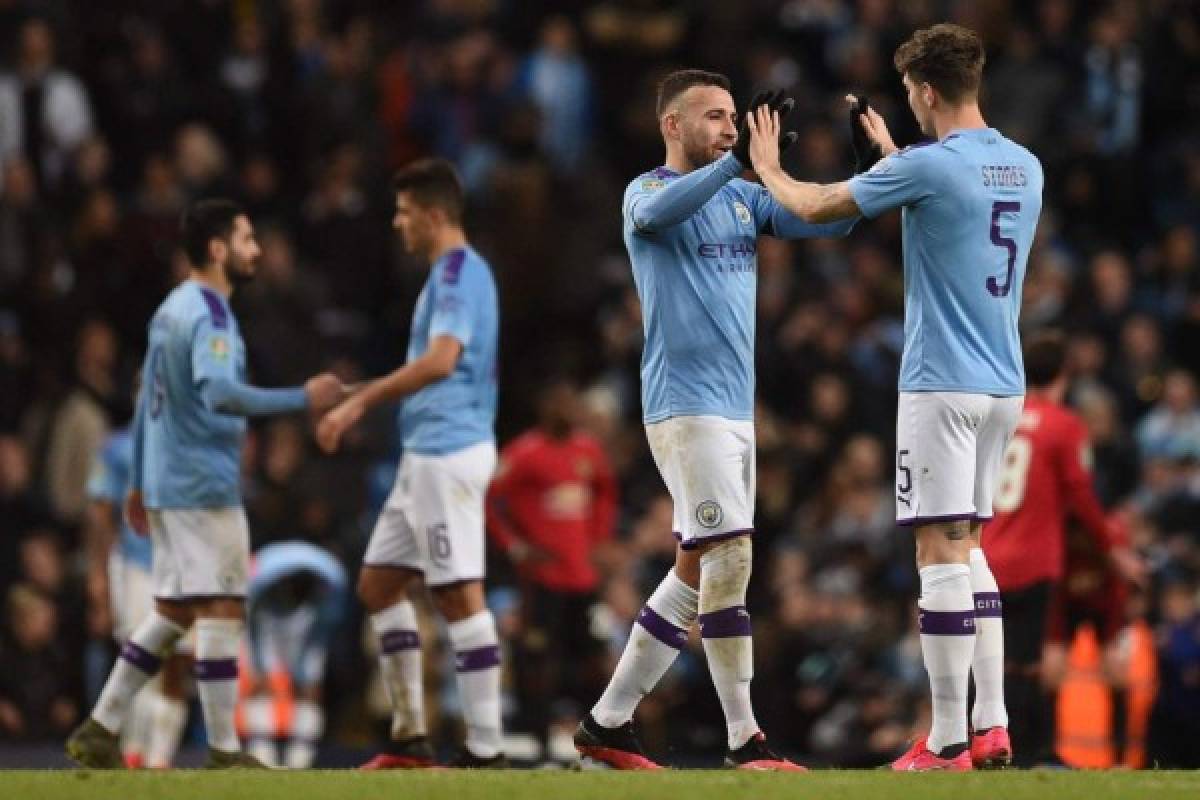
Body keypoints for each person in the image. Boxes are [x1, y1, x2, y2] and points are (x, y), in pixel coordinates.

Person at [745, 24, 1043, 770]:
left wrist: (766, 166)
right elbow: (952, 204)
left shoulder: (929, 168)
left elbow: (815, 208)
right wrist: (895, 157)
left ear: (928, 91)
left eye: (911, 91)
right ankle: (994, 723)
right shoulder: (1024, 166)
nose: (907, 102)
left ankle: (945, 740)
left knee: (936, 549)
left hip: (941, 383)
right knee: (970, 546)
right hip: (1003, 383)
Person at [573, 68, 859, 772]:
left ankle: (606, 725)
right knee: (732, 556)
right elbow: (653, 220)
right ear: (672, 125)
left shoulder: (740, 197)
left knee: (697, 569)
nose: (732, 127)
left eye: (736, 117)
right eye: (715, 116)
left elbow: (830, 216)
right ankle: (745, 740)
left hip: (735, 409)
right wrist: (738, 162)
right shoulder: (647, 191)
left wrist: (866, 167)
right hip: (685, 405)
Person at [66, 198, 347, 769]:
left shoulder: (171, 309)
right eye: (246, 240)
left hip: (171, 484)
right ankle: (224, 750)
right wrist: (302, 398)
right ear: (218, 250)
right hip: (203, 484)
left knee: (172, 609)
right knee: (221, 607)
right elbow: (219, 393)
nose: (256, 250)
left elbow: (148, 402)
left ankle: (101, 726)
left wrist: (141, 483)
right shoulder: (211, 315)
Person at [317, 158, 503, 768]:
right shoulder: (452, 275)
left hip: (447, 452)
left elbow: (442, 360)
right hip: (425, 452)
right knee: (378, 586)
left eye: (402, 213)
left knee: (458, 597)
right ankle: (410, 738)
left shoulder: (455, 274)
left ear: (432, 214)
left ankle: (487, 749)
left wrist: (359, 401)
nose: (397, 224)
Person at [982, 332, 1144, 767]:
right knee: (1030, 663)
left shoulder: (1000, 417)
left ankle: (984, 743)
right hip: (1034, 560)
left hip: (990, 555)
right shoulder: (1064, 424)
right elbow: (1081, 495)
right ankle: (1032, 752)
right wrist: (1112, 548)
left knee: (993, 656)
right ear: (1064, 375)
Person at [486, 377, 617, 752]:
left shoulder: (588, 451)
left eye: (570, 403)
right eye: (557, 404)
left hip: (582, 577)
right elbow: (489, 500)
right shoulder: (524, 452)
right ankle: (539, 740)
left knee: (593, 657)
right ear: (544, 411)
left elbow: (606, 492)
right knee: (538, 659)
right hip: (542, 577)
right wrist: (514, 546)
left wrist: (599, 536)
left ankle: (598, 736)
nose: (565, 411)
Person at [84, 412, 191, 768]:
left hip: (185, 569)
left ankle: (160, 759)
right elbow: (100, 510)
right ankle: (133, 751)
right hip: (137, 567)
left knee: (175, 664)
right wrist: (98, 574)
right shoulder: (119, 448)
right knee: (140, 661)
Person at [241, 541, 348, 769]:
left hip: (308, 628)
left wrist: (309, 673)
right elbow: (249, 620)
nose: (292, 584)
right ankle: (261, 754)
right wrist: (259, 668)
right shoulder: (262, 587)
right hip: (266, 625)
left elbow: (326, 626)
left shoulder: (326, 588)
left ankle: (301, 757)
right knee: (261, 687)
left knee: (309, 691)